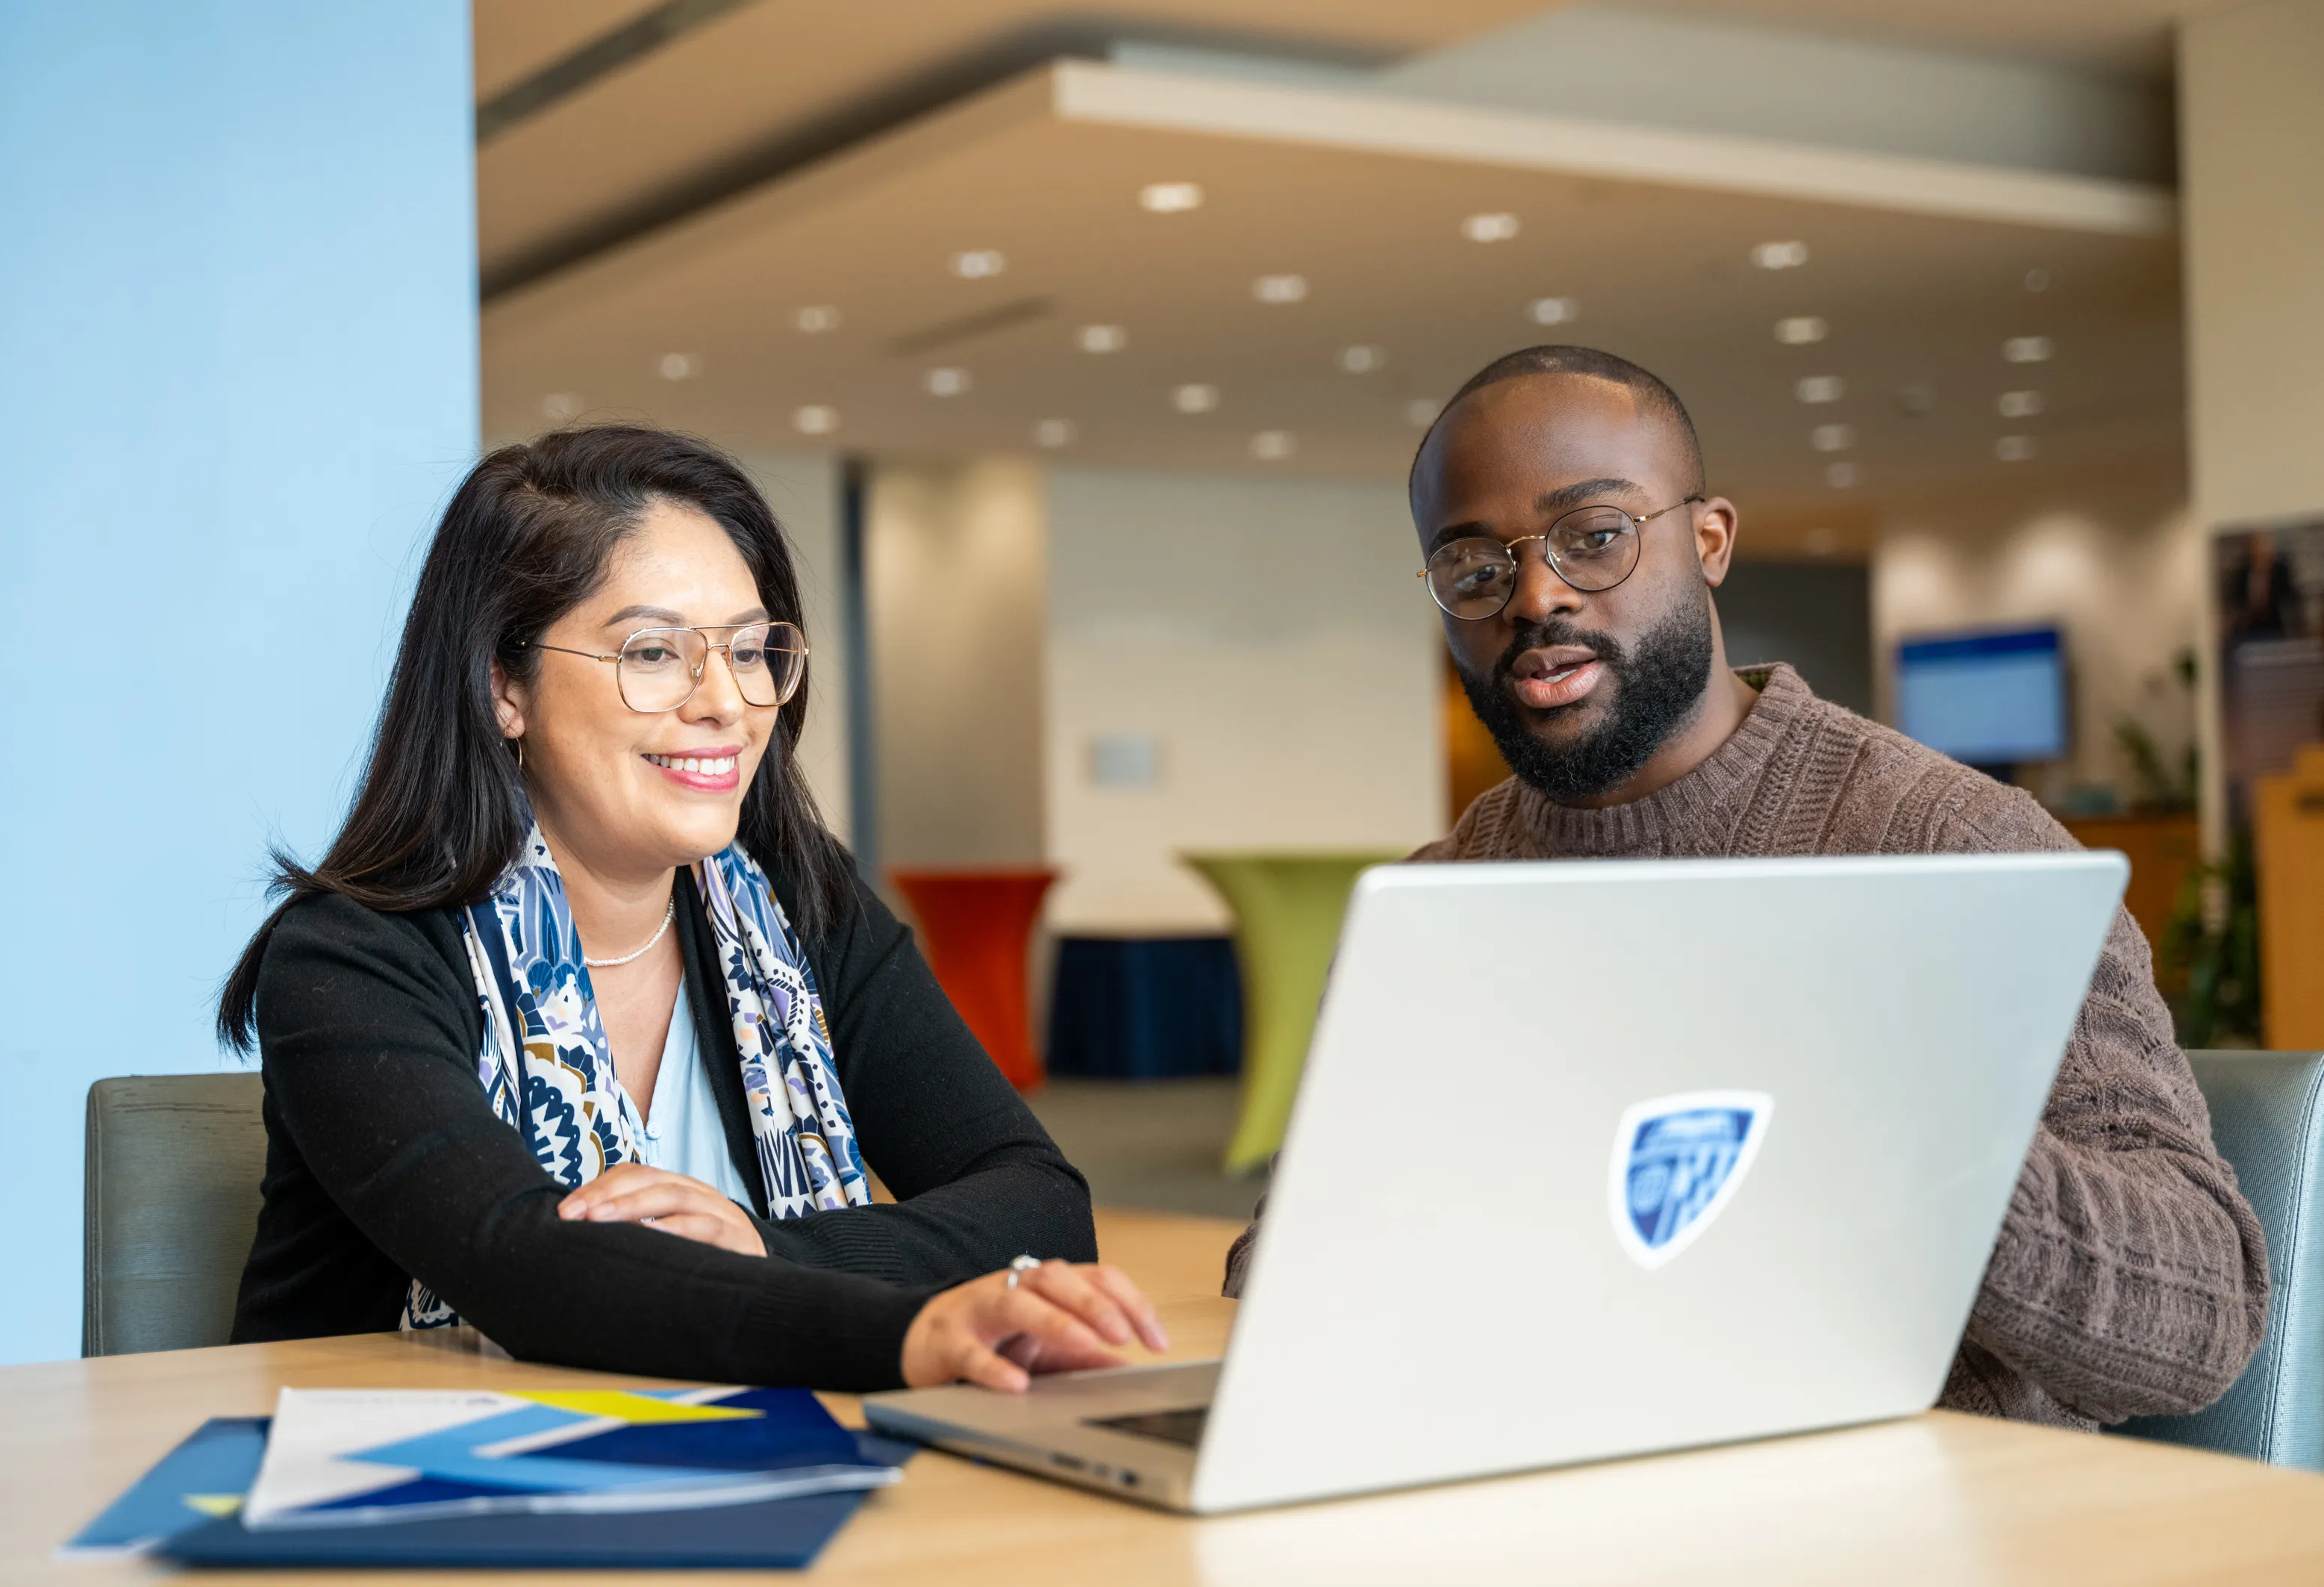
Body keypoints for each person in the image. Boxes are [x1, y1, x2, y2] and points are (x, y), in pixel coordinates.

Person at [1223, 345, 2268, 1432]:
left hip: (1912, 1518)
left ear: (1709, 541)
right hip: (1551, 1485)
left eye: (1595, 537)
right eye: (1476, 566)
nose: (1534, 595)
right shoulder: (1437, 902)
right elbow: (1289, 1261)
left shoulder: (1959, 847)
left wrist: (1887, 1135)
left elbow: (2204, 1320)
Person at [222, 425, 1163, 1394]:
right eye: (655, 651)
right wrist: (905, 1334)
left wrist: (765, 1245)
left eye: (752, 649)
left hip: (740, 1459)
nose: (728, 701)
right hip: (395, 1494)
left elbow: (1040, 1206)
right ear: (505, 684)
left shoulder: (803, 911)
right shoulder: (354, 957)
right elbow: (532, 1271)